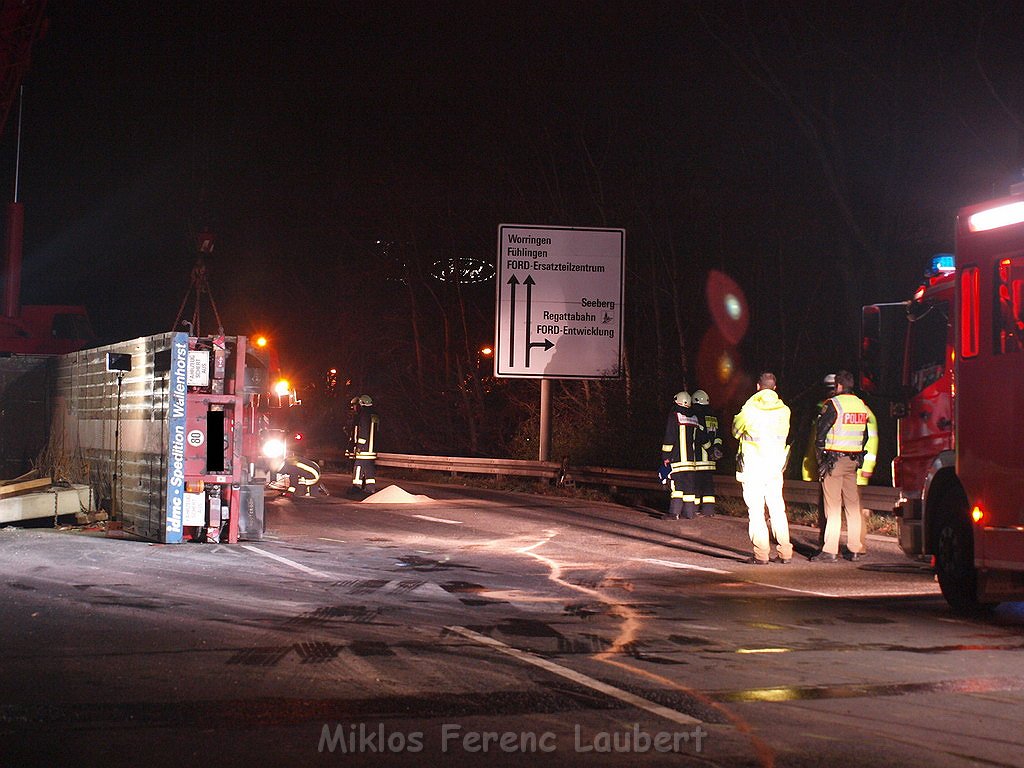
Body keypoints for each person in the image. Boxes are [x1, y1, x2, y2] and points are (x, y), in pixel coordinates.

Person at [811, 370, 876, 562]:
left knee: (832, 507)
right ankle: (854, 548)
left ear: (838, 386)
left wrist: (821, 459)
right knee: (852, 506)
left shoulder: (834, 404)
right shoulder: (861, 405)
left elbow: (820, 434)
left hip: (833, 461)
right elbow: (865, 435)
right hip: (853, 461)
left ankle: (830, 550)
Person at [731, 372, 794, 565]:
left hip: (753, 467)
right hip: (775, 467)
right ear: (775, 388)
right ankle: (785, 553)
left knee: (756, 511)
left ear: (758, 387)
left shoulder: (749, 410)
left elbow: (735, 431)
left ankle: (761, 554)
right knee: (777, 509)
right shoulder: (785, 411)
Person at [661, 391, 702, 520]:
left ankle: (674, 513)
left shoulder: (675, 416)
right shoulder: (695, 418)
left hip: (678, 460)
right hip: (691, 461)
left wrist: (666, 456)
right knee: (689, 488)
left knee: (677, 487)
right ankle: (689, 513)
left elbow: (670, 436)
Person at [691, 389, 722, 517]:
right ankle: (709, 510)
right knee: (708, 485)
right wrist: (716, 448)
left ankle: (694, 509)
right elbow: (718, 436)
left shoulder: (697, 416)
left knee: (696, 485)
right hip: (711, 461)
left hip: (699, 459)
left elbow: (700, 436)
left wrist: (709, 449)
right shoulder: (713, 417)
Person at [347, 394, 379, 495]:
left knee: (358, 466)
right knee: (369, 468)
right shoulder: (374, 415)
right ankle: (370, 488)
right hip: (372, 448)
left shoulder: (364, 415)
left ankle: (356, 487)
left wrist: (359, 446)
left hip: (364, 449)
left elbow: (363, 432)